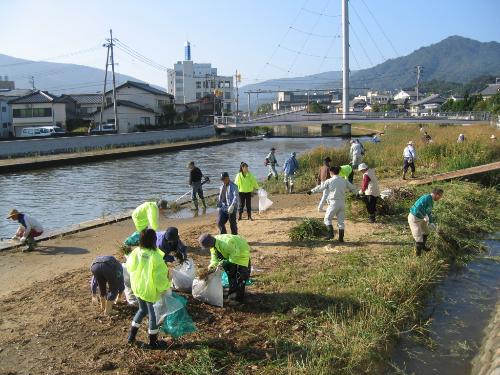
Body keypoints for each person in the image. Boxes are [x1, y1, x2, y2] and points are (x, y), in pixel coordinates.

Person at [126, 229, 170, 348]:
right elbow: (159, 278)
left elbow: (129, 266)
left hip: (137, 286)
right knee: (153, 315)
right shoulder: (156, 256)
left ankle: (131, 336)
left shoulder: (136, 251)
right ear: (153, 240)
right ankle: (153, 342)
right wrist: (166, 286)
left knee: (142, 310)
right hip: (149, 289)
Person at [307, 166, 357, 242]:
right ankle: (341, 239)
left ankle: (330, 235)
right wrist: (358, 194)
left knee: (327, 219)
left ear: (331, 172)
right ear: (339, 172)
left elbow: (320, 187)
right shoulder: (344, 180)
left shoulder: (329, 181)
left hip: (334, 203)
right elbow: (353, 188)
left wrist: (311, 191)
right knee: (341, 222)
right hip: (342, 203)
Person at [198, 233, 251, 303]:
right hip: (231, 254)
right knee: (230, 274)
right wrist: (211, 268)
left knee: (239, 276)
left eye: (207, 246)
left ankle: (238, 299)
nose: (208, 248)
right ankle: (232, 293)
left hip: (241, 253)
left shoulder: (226, 243)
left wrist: (225, 262)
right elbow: (214, 259)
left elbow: (235, 255)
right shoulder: (213, 246)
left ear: (209, 243)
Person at [408, 188, 444, 256]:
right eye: (440, 196)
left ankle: (423, 246)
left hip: (421, 218)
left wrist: (431, 222)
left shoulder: (431, 201)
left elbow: (429, 213)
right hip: (414, 218)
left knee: (426, 232)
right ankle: (418, 255)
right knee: (418, 237)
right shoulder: (426, 197)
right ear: (436, 194)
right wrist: (424, 215)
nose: (440, 198)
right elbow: (417, 208)